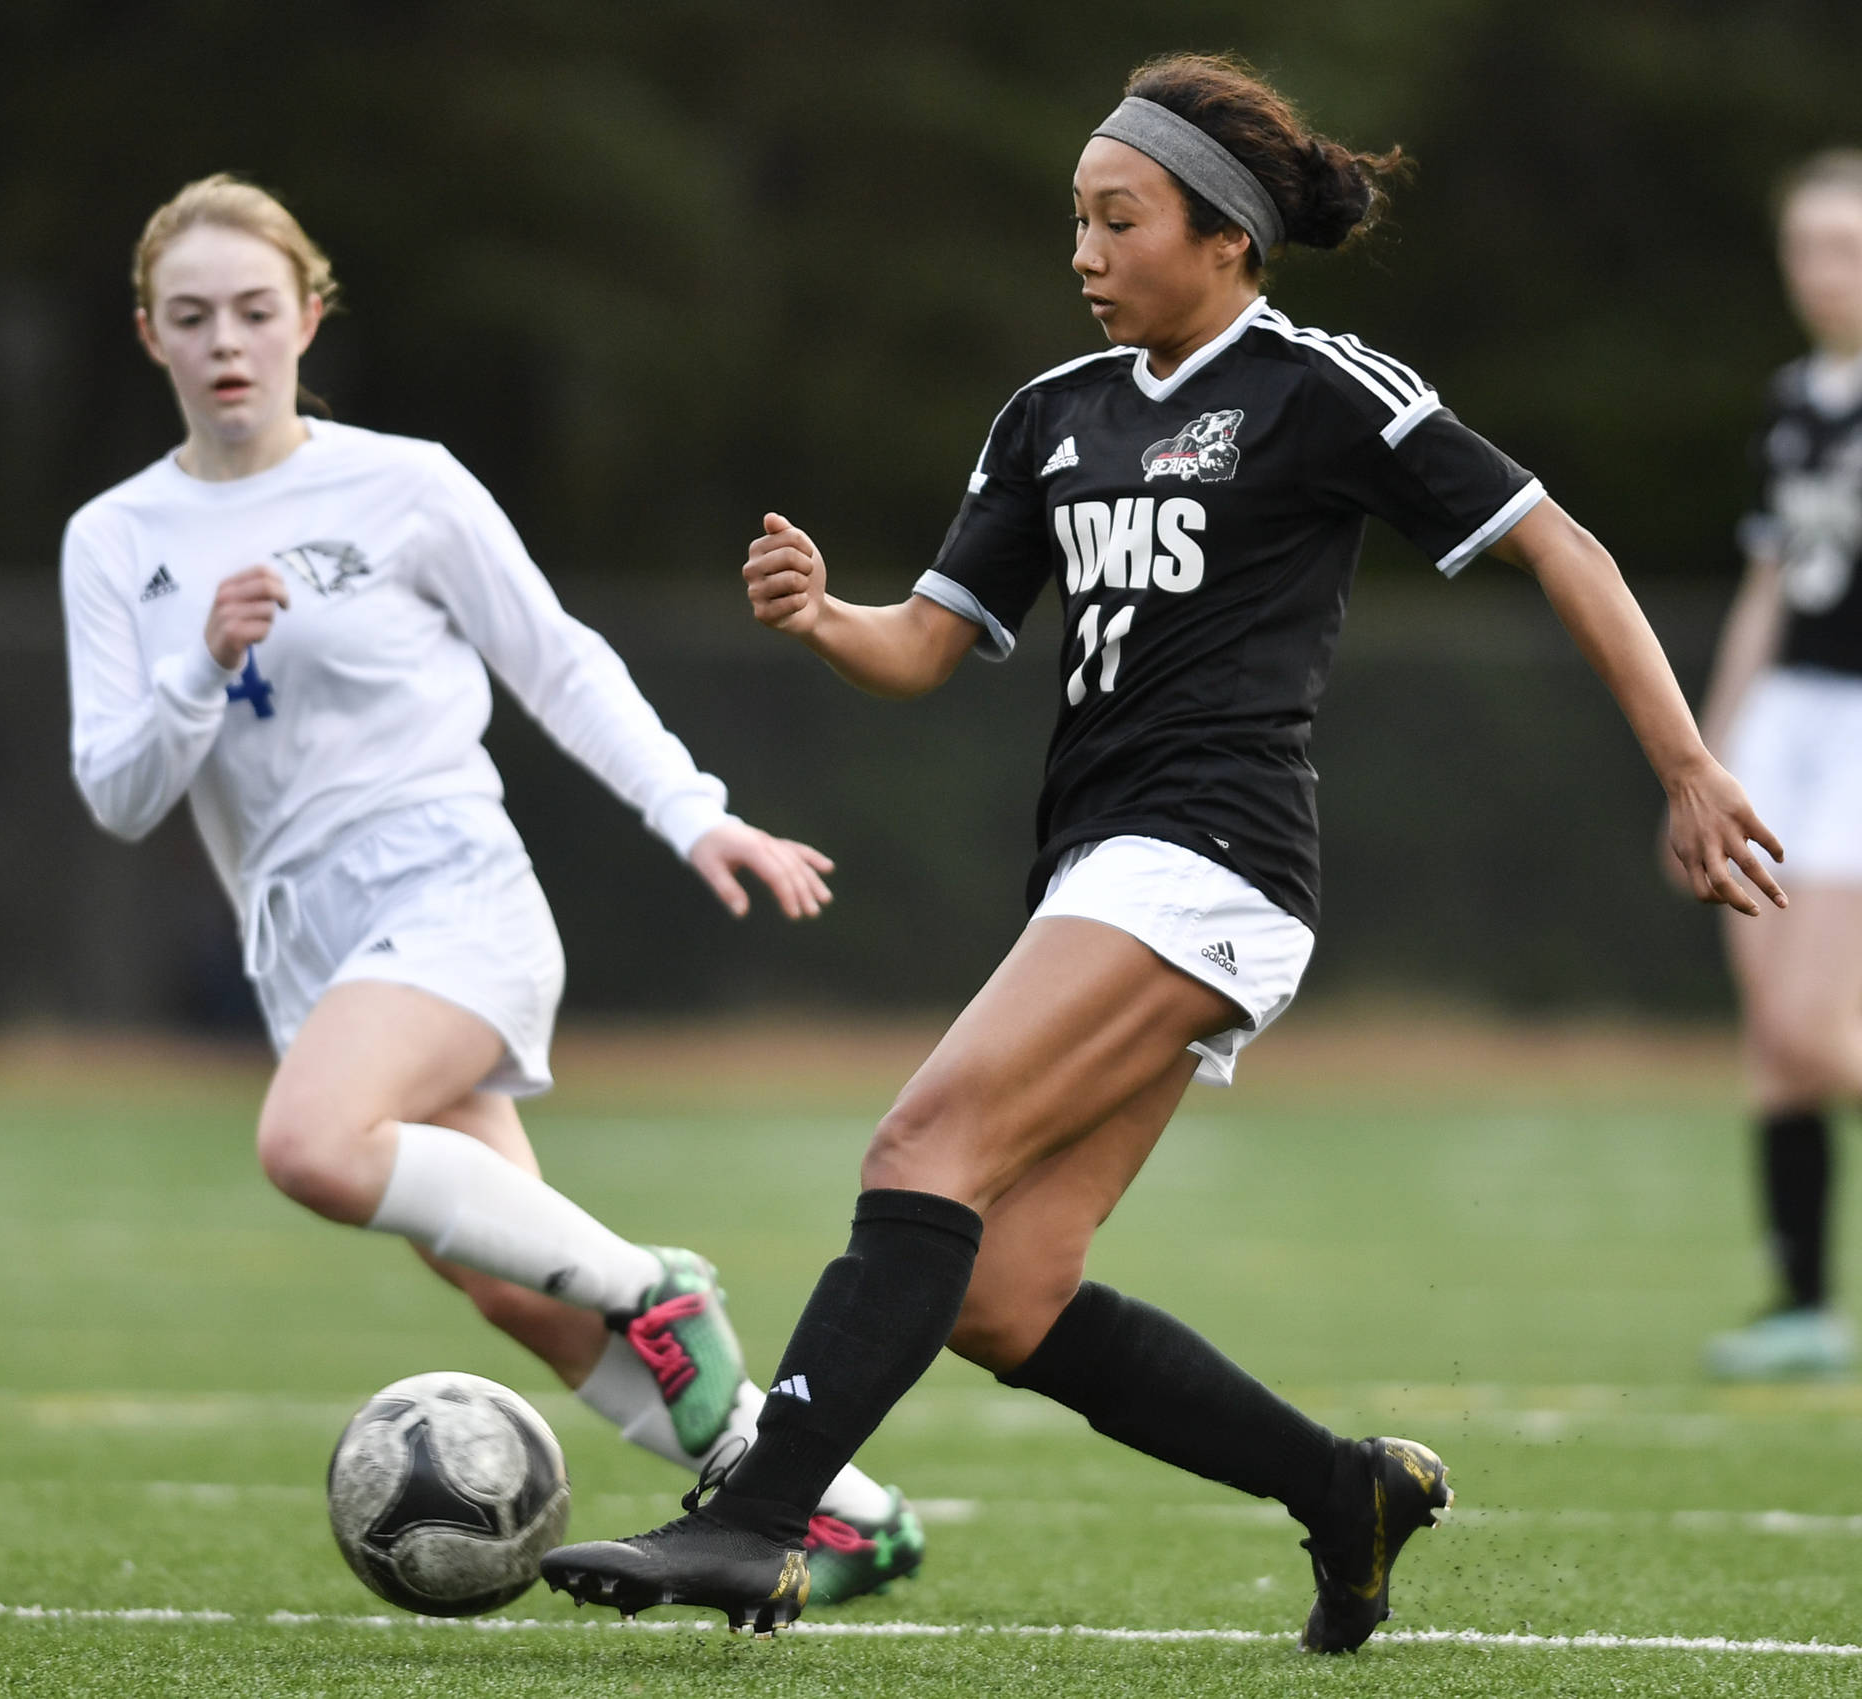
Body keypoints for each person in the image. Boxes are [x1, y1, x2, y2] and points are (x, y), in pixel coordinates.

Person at [541, 53, 1786, 1648]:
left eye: (1117, 218)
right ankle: (1347, 1490)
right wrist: (823, 613)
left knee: (920, 1147)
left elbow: (1559, 538)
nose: (1082, 250)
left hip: (1214, 855)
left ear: (1228, 237)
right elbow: (931, 646)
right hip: (1107, 867)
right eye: (1075, 218)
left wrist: (1685, 766)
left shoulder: (1324, 390)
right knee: (1004, 1293)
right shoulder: (1049, 417)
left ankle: (755, 1518)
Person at [60, 173, 923, 1606]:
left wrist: (693, 811)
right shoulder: (116, 538)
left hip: (451, 890)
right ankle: (842, 1514)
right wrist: (198, 662)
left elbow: (558, 658)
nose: (227, 341)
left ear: (309, 318)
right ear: (147, 333)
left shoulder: (406, 482)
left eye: (256, 312)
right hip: (308, 953)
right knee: (519, 1285)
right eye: (192, 315)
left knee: (315, 1144)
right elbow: (120, 790)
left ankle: (663, 1287)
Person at [1695, 151, 1862, 1381]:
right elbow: (1766, 582)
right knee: (1770, 1032)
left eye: (1848, 248)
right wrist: (1704, 755)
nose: (1824, 273)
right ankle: (1802, 1306)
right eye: (1807, 246)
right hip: (1783, 722)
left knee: (1812, 1028)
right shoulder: (1791, 398)